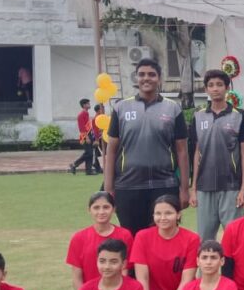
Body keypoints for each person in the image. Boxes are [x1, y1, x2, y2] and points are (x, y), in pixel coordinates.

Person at [104, 59, 190, 235]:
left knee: (163, 237)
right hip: (127, 186)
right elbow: (111, 151)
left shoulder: (173, 108)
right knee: (132, 238)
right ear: (136, 78)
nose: (146, 78)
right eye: (142, 74)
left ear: (159, 78)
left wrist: (184, 189)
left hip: (164, 185)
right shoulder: (121, 108)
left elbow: (182, 151)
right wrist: (109, 188)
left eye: (151, 74)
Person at [190, 69, 244, 242]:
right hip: (204, 186)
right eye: (211, 85)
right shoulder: (198, 116)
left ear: (227, 88)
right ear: (206, 89)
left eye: (219, 85)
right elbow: (196, 152)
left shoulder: (239, 115)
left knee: (235, 239)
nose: (215, 88)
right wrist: (193, 189)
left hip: (231, 187)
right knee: (204, 240)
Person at [129, 195, 200, 290]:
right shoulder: (142, 237)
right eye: (158, 213)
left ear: (178, 215)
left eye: (168, 213)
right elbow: (142, 279)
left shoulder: (192, 239)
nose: (162, 218)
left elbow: (186, 281)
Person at [66, 192, 134, 290]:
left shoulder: (124, 235)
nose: (101, 212)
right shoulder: (79, 238)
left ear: (113, 209)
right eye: (96, 208)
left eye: (106, 207)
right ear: (89, 210)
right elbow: (77, 277)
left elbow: (125, 269)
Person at [70, 98, 95, 175]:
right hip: (84, 136)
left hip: (89, 134)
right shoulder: (81, 115)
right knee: (89, 153)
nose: (89, 105)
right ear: (84, 105)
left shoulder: (86, 113)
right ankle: (74, 164)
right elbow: (82, 128)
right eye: (88, 103)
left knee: (90, 153)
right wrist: (87, 137)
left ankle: (89, 170)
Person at [91, 104, 105, 174]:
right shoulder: (95, 118)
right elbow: (95, 130)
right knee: (99, 153)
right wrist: (96, 140)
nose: (103, 110)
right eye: (102, 108)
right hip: (98, 138)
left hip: (101, 137)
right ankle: (97, 167)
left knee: (99, 152)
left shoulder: (100, 117)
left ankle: (97, 165)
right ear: (99, 110)